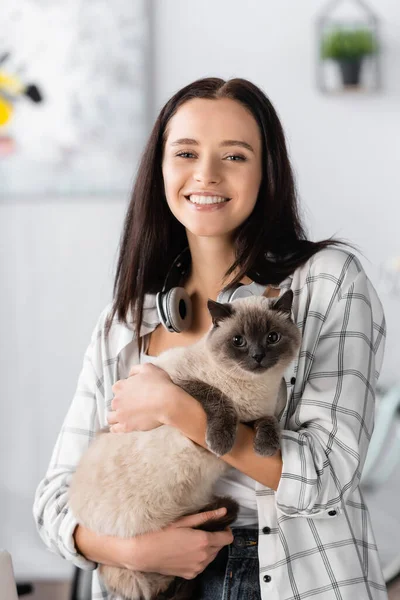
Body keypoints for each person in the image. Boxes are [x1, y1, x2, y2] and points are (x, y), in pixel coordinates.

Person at [33, 77, 388, 600]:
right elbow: (54, 504)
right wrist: (133, 552)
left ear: (267, 172)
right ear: (160, 169)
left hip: (288, 576)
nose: (206, 174)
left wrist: (177, 407)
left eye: (235, 156)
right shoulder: (125, 321)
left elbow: (324, 475)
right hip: (151, 580)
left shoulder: (327, 282)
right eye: (186, 152)